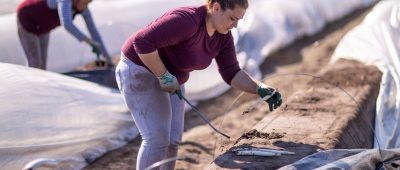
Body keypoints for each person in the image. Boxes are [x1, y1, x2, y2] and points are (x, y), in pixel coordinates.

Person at [116, 0, 282, 169]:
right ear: (216, 8)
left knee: (173, 139)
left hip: (170, 76)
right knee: (157, 139)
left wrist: (259, 87)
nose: (235, 26)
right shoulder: (187, 21)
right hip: (139, 69)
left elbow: (231, 72)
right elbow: (142, 42)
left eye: (239, 20)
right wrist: (164, 76)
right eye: (233, 18)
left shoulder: (222, 37)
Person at [16, 0, 112, 70]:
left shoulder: (83, 9)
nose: (85, 5)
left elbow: (94, 32)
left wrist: (108, 59)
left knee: (42, 66)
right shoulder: (65, 1)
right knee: (35, 63)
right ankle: (32, 91)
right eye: (84, 2)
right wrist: (89, 42)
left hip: (44, 27)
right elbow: (67, 24)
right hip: (27, 18)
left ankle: (41, 90)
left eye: (88, 3)